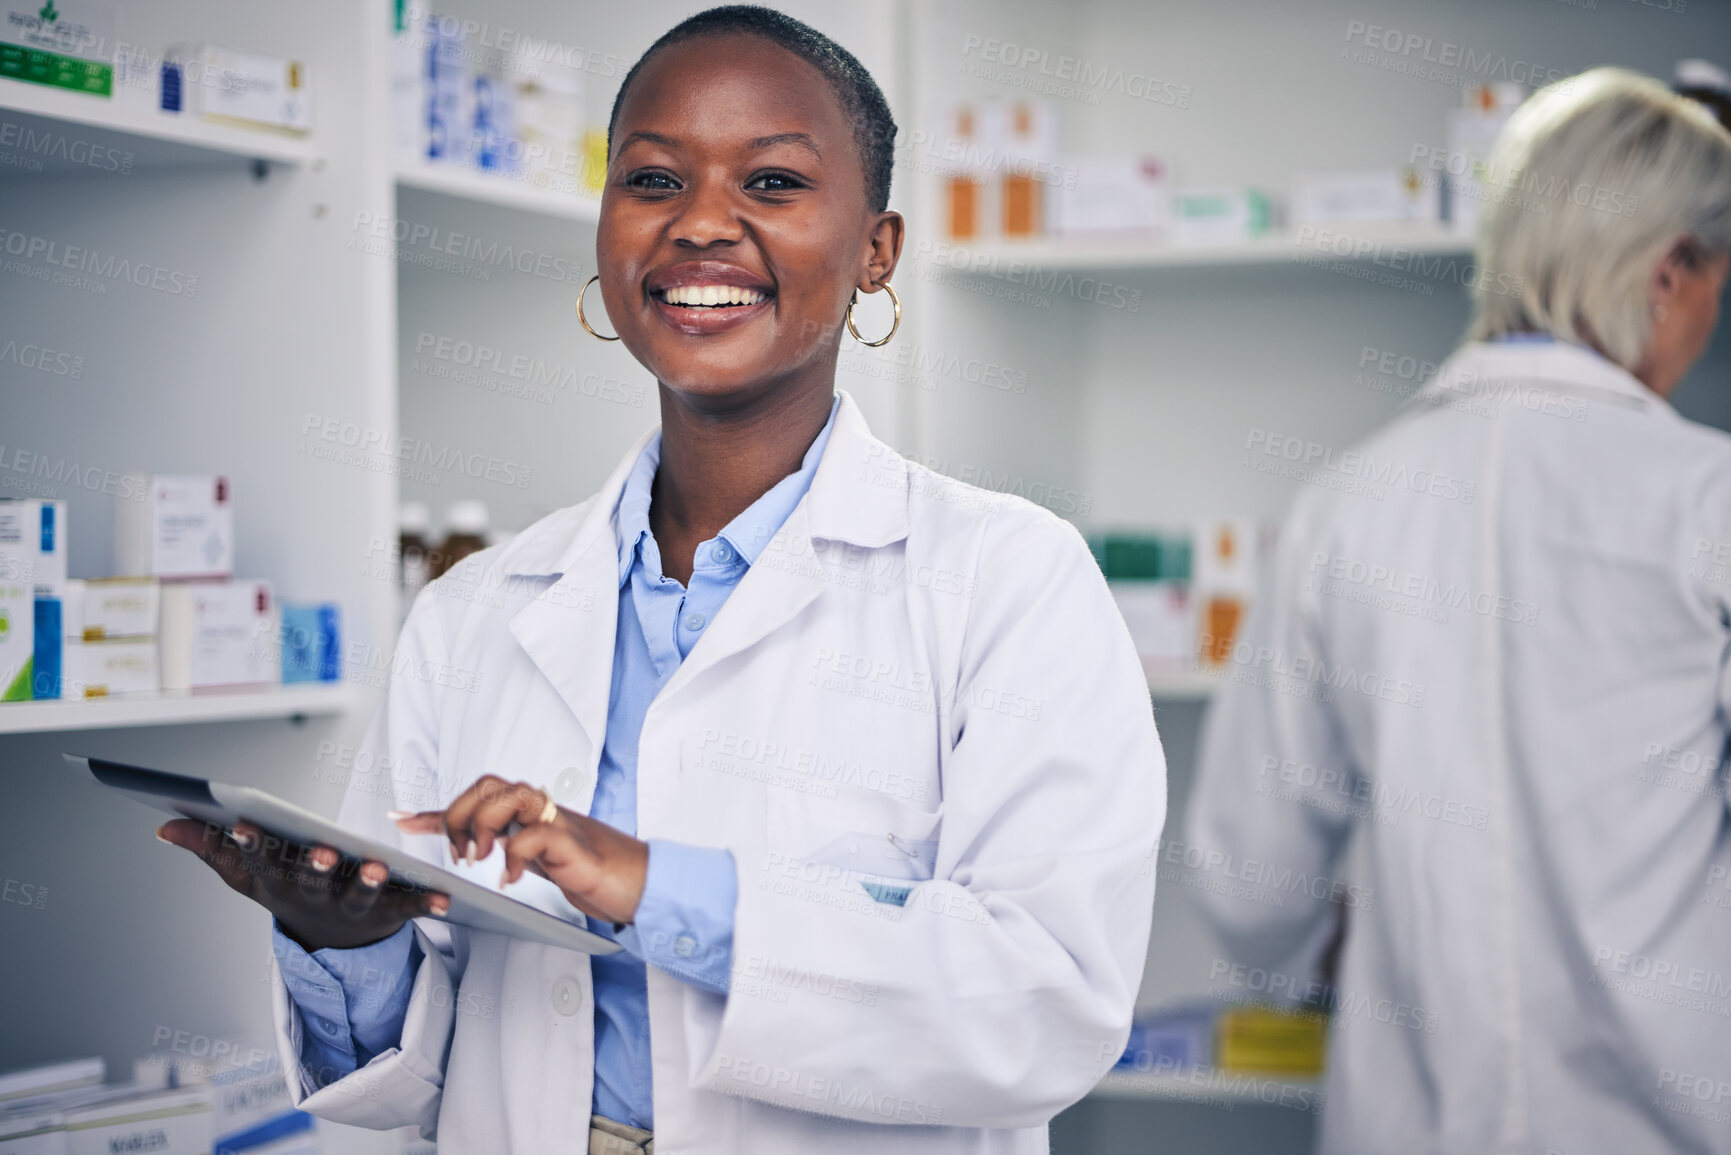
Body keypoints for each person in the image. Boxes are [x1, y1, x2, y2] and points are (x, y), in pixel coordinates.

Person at [159, 7, 1165, 1153]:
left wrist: (649, 884)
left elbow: (1047, 1007)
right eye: (652, 178)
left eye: (774, 183)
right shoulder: (478, 612)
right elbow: (416, 1087)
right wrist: (347, 942)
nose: (700, 225)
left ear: (877, 248)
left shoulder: (1007, 581)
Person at [1187, 68, 1731, 1154]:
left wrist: (1319, 964)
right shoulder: (1707, 499)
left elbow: (1249, 881)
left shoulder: (1346, 503)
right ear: (1670, 271)